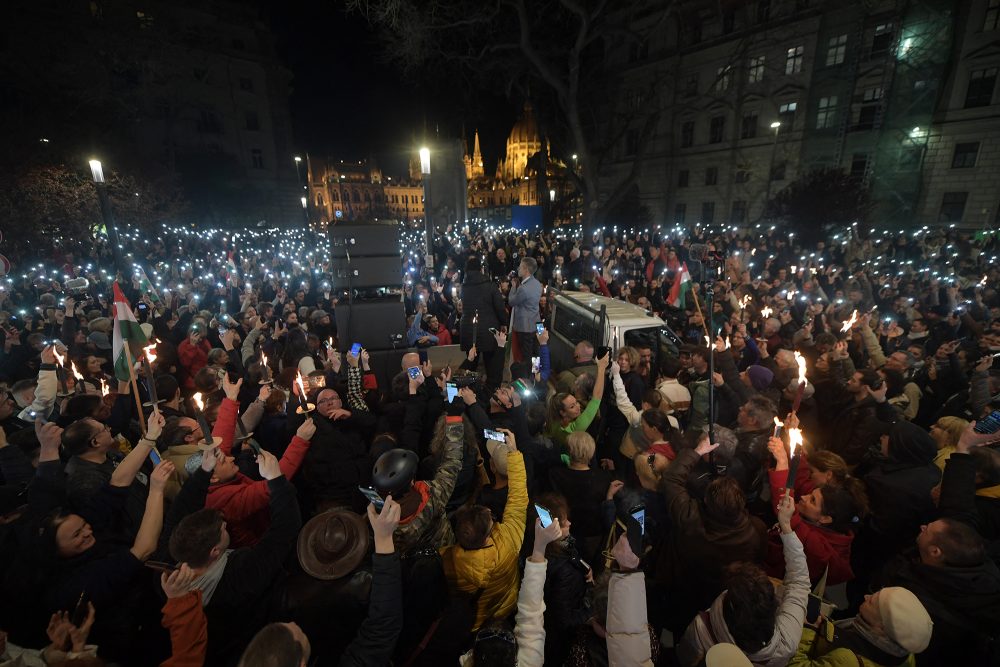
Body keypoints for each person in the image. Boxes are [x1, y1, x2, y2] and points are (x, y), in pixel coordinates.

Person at [168, 447, 303, 667]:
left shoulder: (172, 573)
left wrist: (204, 471)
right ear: (215, 551)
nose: (226, 528)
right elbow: (284, 530)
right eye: (223, 530)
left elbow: (179, 510)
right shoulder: (240, 575)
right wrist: (276, 480)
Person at [235, 497, 403, 667]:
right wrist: (384, 539)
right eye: (296, 633)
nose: (292, 622)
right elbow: (381, 631)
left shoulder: (285, 593)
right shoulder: (364, 586)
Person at [678, 492, 809, 667]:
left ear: (729, 602)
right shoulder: (786, 645)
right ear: (773, 607)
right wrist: (786, 525)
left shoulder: (701, 627)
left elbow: (686, 659)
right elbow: (799, 582)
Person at [440, 427, 527, 632]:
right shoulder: (509, 541)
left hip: (475, 623)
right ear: (489, 531)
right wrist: (514, 453)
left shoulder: (448, 561)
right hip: (505, 608)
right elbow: (518, 498)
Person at [790, 587, 933, 666]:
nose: (865, 596)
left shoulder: (848, 660)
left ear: (881, 627)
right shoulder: (905, 655)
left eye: (871, 602)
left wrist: (808, 630)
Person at [507, 257, 542, 364]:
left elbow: (511, 302)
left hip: (525, 327)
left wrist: (513, 287)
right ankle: (536, 375)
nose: (518, 269)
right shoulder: (537, 283)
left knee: (526, 356)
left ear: (526, 269)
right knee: (536, 353)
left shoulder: (523, 288)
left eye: (520, 267)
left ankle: (528, 378)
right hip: (538, 324)